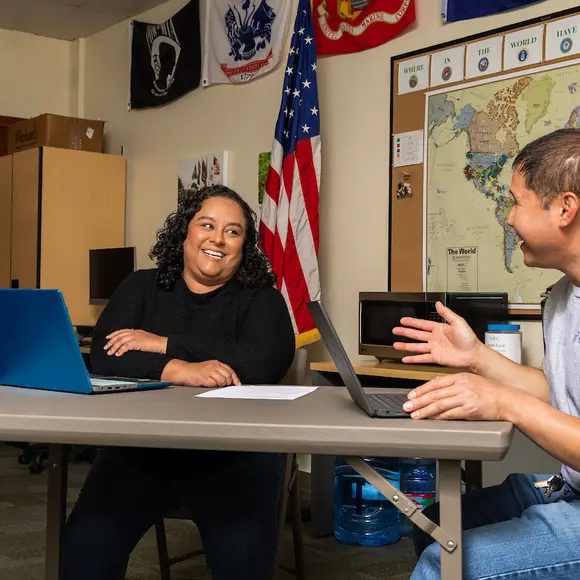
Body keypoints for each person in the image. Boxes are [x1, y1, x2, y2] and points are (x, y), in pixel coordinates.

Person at [62, 184, 296, 580]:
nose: (218, 239)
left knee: (242, 563)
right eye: (207, 224)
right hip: (143, 449)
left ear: (244, 245)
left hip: (235, 454)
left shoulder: (262, 299)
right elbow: (104, 353)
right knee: (83, 552)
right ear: (184, 231)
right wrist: (181, 369)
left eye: (233, 231)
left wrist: (162, 344)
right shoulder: (141, 286)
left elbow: (264, 360)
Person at [392, 128, 580, 579]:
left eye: (517, 202)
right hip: (569, 485)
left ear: (565, 209)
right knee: (436, 525)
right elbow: (562, 391)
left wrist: (503, 401)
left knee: (445, 563)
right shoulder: (560, 297)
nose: (508, 217)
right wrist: (477, 357)